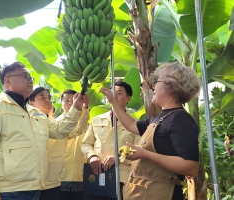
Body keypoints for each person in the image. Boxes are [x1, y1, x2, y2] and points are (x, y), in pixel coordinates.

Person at [0, 62, 85, 200]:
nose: (30, 80)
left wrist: (76, 108)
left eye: (30, 77)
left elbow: (59, 131)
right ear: (7, 80)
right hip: (7, 192)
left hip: (35, 190)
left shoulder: (36, 113)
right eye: (25, 75)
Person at [100, 62, 201, 200]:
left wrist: (145, 154)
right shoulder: (161, 117)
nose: (153, 86)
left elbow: (190, 167)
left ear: (171, 87)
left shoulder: (180, 119)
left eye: (157, 81)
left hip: (162, 193)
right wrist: (113, 102)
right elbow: (132, 125)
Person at [81, 80, 140, 200]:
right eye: (112, 92)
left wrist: (117, 157)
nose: (113, 96)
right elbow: (85, 143)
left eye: (119, 93)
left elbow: (138, 149)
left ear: (128, 99)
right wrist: (92, 156)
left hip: (122, 178)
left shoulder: (135, 124)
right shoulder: (97, 120)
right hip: (97, 175)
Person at [29, 88, 89, 200]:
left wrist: (84, 110)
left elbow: (76, 131)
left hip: (54, 178)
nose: (47, 100)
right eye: (42, 97)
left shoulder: (53, 123)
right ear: (31, 103)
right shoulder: (31, 121)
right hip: (38, 177)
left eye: (49, 98)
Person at [59, 90, 89, 200]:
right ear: (61, 102)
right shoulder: (56, 124)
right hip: (59, 178)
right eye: (66, 101)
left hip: (82, 178)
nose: (70, 103)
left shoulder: (87, 125)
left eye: (74, 100)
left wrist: (84, 110)